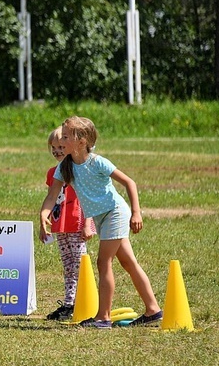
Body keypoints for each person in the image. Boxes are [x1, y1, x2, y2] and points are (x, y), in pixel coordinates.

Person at [39, 116, 162, 329]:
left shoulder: (97, 162)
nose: (61, 140)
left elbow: (129, 183)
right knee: (128, 263)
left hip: (115, 212)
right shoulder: (65, 167)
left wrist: (136, 213)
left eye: (66, 137)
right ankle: (153, 310)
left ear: (81, 141)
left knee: (103, 262)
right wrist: (44, 214)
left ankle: (102, 317)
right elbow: (52, 196)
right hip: (101, 216)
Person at [42, 126, 95, 320]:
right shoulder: (52, 172)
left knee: (80, 265)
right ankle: (69, 304)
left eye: (61, 147)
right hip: (60, 225)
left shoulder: (80, 169)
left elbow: (88, 198)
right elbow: (51, 197)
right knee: (68, 265)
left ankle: (85, 302)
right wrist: (44, 221)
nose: (57, 151)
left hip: (77, 223)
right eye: (53, 147)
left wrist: (88, 223)